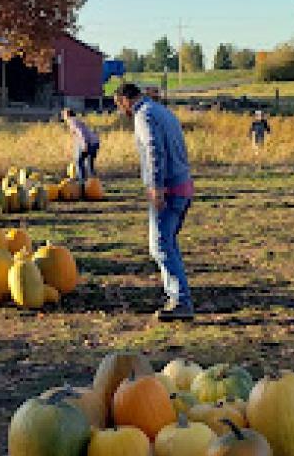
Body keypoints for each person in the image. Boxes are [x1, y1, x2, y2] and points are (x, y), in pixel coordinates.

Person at [113, 82, 194, 321]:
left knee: (160, 246)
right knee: (168, 243)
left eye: (119, 105)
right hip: (183, 184)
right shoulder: (160, 111)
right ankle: (177, 295)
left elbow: (154, 150)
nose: (121, 111)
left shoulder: (143, 115)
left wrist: (157, 187)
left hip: (168, 189)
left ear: (125, 100)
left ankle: (181, 300)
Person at [61, 108, 100, 181]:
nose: (63, 116)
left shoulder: (72, 121)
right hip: (95, 142)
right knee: (89, 164)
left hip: (89, 143)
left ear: (68, 114)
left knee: (79, 161)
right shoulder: (77, 120)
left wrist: (85, 143)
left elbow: (80, 132)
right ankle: (94, 183)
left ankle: (82, 182)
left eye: (64, 114)